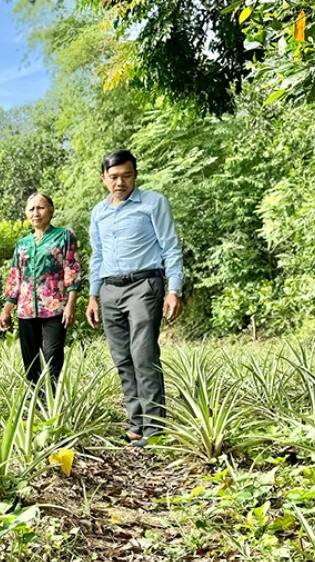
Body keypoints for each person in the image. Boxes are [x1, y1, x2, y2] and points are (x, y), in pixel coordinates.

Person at [85, 150, 185, 447]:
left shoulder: (154, 203)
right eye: (113, 177)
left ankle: (155, 428)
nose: (120, 182)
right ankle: (136, 423)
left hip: (144, 285)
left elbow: (171, 247)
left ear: (135, 175)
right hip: (109, 290)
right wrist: (93, 295)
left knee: (144, 356)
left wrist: (174, 289)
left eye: (126, 175)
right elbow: (97, 256)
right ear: (103, 178)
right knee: (123, 359)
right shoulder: (98, 213)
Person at [0, 193, 82, 384]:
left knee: (52, 355)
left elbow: (72, 269)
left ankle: (52, 399)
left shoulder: (64, 236)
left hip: (55, 307)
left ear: (51, 211)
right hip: (26, 310)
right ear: (26, 213)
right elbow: (15, 278)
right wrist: (6, 310)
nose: (36, 213)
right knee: (31, 359)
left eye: (40, 208)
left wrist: (70, 304)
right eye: (31, 209)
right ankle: (35, 401)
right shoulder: (22, 244)